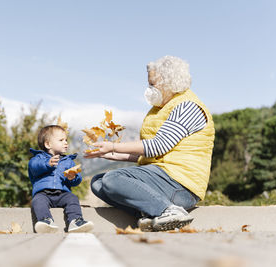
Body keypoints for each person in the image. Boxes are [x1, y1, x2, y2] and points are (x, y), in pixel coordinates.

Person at [85, 55, 215, 231]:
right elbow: (147, 153)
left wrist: (114, 145)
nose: (149, 89)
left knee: (112, 179)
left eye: (153, 84)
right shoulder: (160, 108)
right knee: (98, 182)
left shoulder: (188, 107)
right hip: (162, 177)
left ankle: (168, 210)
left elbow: (158, 146)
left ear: (170, 82)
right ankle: (149, 215)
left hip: (181, 185)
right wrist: (108, 153)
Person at [29, 125, 94, 233]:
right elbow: (34, 167)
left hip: (62, 193)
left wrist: (73, 177)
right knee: (37, 201)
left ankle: (75, 221)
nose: (66, 143)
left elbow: (76, 180)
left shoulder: (68, 161)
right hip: (43, 193)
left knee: (72, 198)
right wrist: (47, 164)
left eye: (66, 140)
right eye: (61, 140)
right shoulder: (38, 158)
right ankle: (46, 221)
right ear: (48, 144)